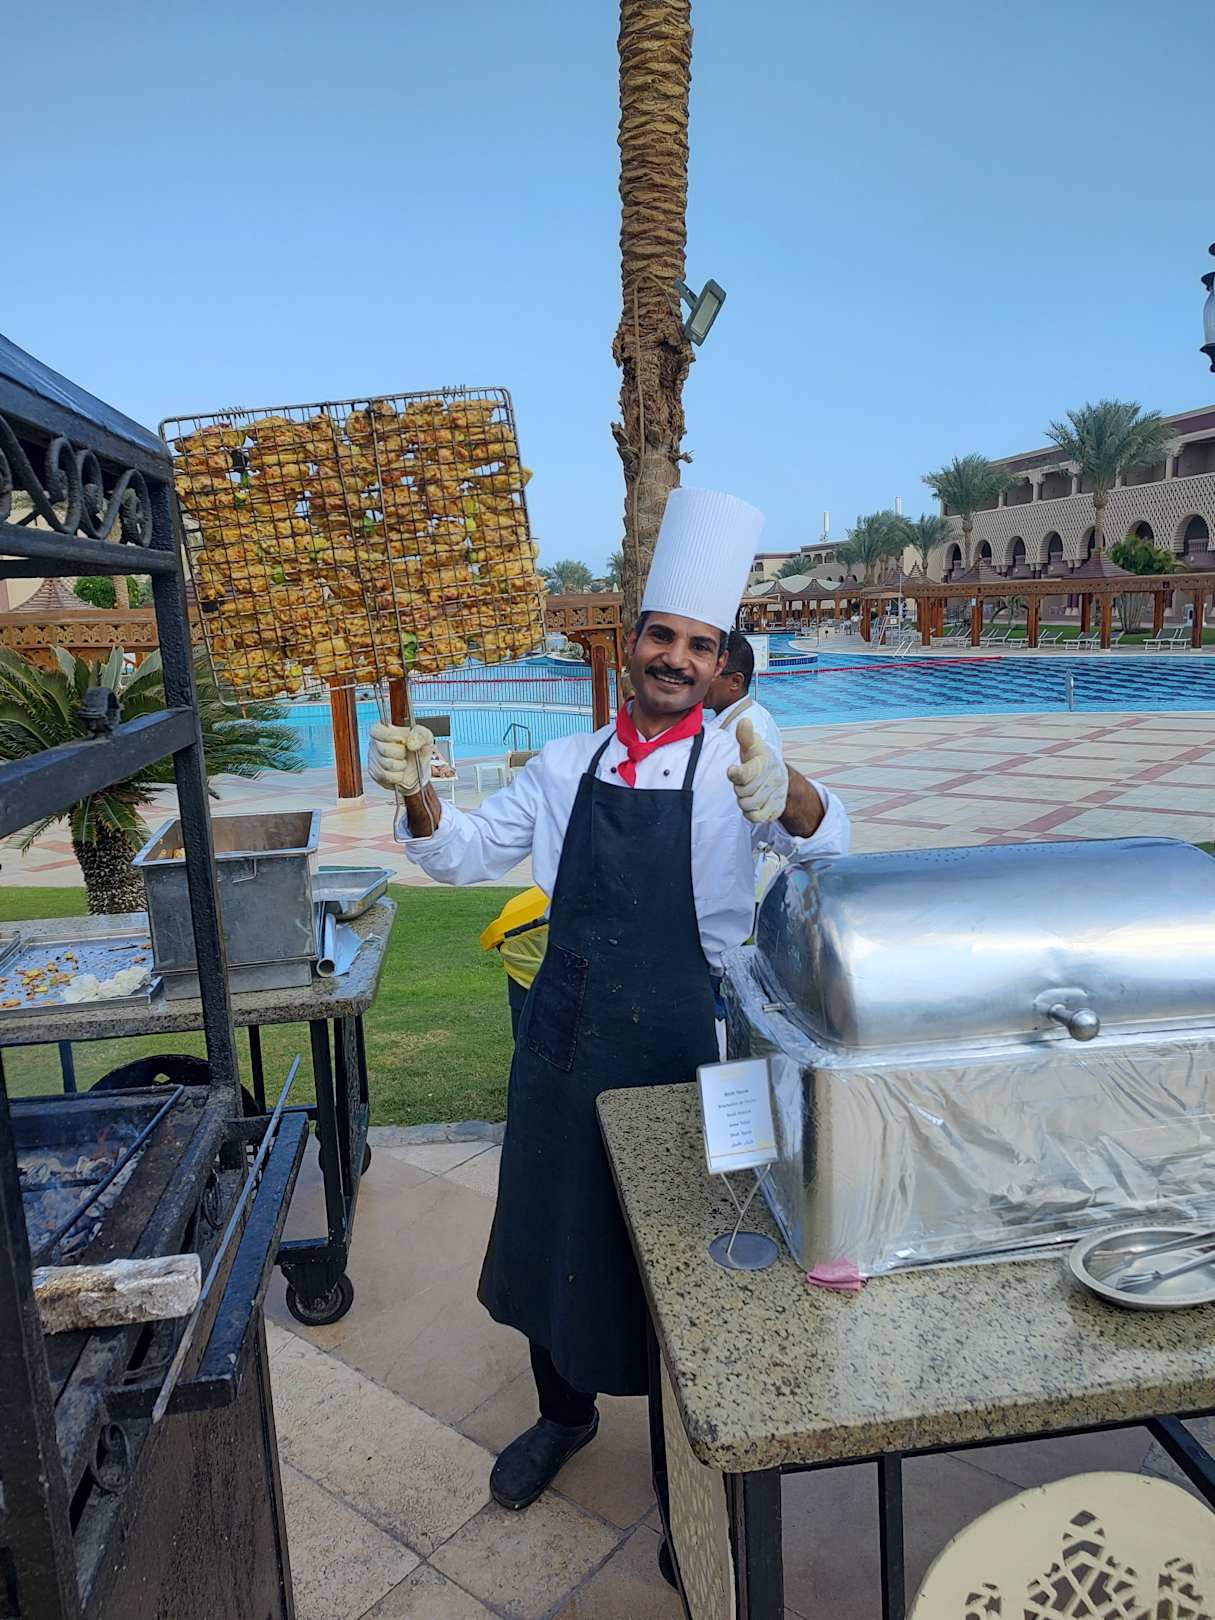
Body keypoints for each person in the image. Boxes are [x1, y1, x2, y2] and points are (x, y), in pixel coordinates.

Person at [366, 488, 850, 1514]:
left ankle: (690, 1464)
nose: (676, 658)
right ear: (632, 644)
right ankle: (564, 1415)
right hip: (567, 1031)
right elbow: (461, 856)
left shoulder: (741, 767)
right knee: (556, 1227)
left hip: (688, 1039)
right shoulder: (563, 765)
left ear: (719, 665)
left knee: (690, 1248)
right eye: (661, 637)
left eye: (699, 646)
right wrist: (415, 792)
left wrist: (792, 791)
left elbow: (826, 848)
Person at [705, 629, 783, 756]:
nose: (698, 681)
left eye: (708, 675)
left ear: (735, 681)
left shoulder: (750, 732)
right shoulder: (720, 716)